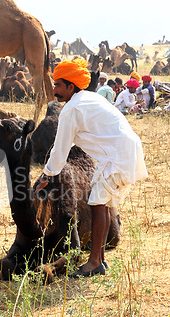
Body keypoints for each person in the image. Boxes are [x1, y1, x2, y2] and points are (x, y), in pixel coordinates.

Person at [34, 58, 147, 277]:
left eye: (58, 85)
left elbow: (60, 150)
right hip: (121, 150)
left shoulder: (71, 109)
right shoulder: (89, 98)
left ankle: (94, 262)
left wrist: (46, 175)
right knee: (101, 202)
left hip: (116, 155)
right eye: (54, 84)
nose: (54, 89)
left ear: (71, 86)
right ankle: (100, 260)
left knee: (97, 203)